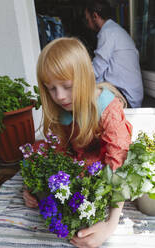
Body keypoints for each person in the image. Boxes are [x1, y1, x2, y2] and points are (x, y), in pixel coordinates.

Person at [23, 37, 132, 248]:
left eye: (66, 86)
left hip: (103, 162)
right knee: (36, 156)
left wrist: (110, 224)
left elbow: (117, 164)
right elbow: (58, 151)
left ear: (84, 78)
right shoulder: (61, 111)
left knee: (111, 173)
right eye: (51, 89)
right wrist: (33, 184)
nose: (60, 97)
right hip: (75, 158)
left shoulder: (107, 109)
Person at [84, 0, 144, 108]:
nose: (87, 25)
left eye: (87, 20)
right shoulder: (115, 30)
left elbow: (96, 70)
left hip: (126, 98)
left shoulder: (108, 32)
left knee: (82, 98)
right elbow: (101, 72)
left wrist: (78, 77)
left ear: (95, 16)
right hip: (132, 96)